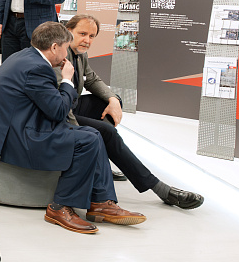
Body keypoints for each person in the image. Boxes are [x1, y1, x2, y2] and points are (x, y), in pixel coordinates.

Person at [0, 22, 146, 234]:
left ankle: (101, 203)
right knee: (89, 139)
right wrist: (67, 80)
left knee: (95, 135)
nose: (67, 53)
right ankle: (60, 207)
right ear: (54, 47)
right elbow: (58, 111)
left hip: (15, 126)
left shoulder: (25, 56)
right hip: (17, 138)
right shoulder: (38, 68)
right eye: (66, 48)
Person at [63, 15, 203, 209]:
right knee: (107, 132)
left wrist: (113, 100)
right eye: (82, 34)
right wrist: (83, 134)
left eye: (92, 36)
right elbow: (57, 103)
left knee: (109, 102)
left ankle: (103, 156)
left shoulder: (80, 54)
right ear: (68, 31)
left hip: (72, 105)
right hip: (62, 115)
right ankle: (158, 187)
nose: (87, 40)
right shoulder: (59, 55)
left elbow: (92, 79)